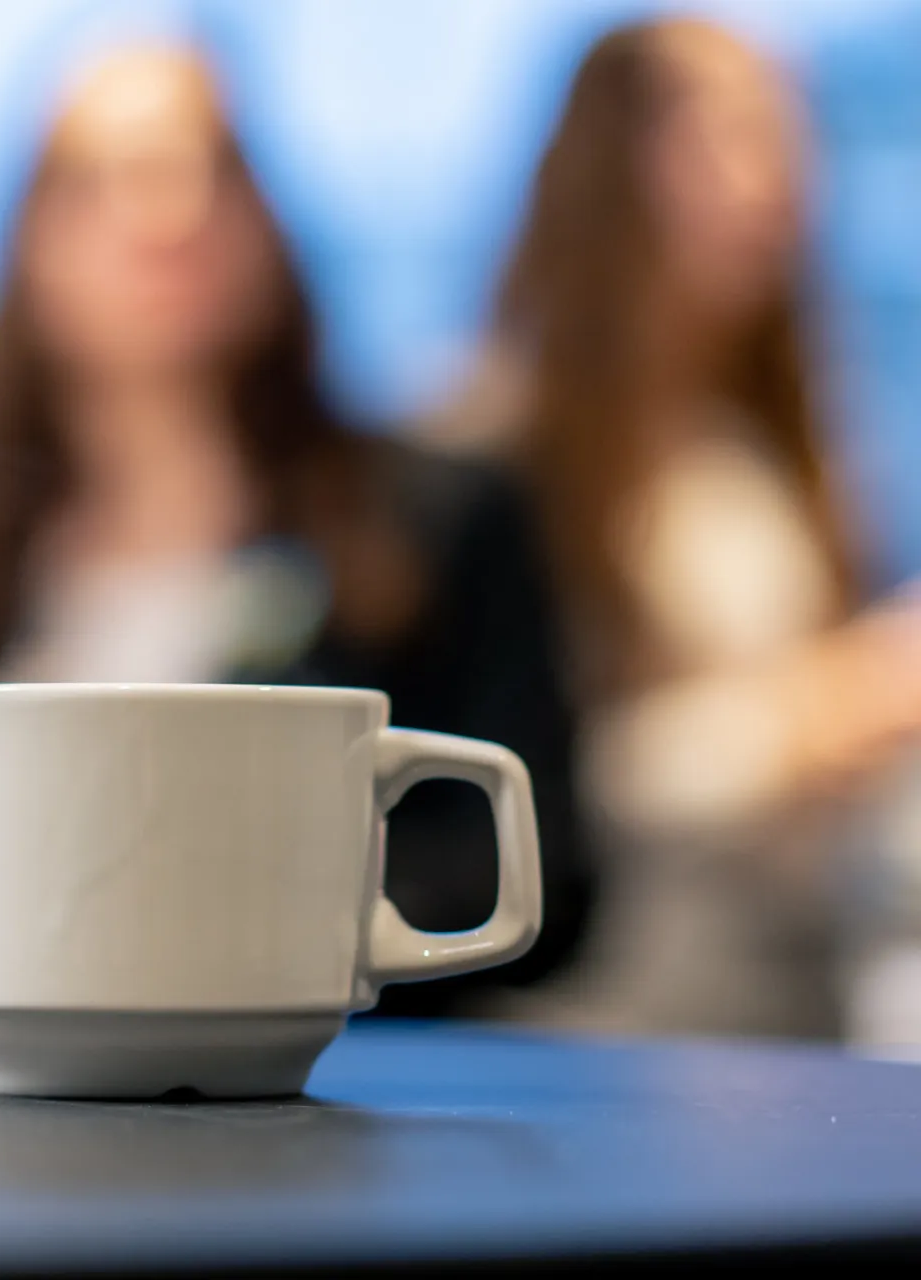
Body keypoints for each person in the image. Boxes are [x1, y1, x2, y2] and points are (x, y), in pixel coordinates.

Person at [0, 41, 593, 1013]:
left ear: (268, 222)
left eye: (207, 171)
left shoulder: (434, 523)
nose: (163, 218)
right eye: (101, 181)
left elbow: (542, 871)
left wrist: (272, 937)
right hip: (24, 1114)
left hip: (353, 1096)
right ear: (28, 242)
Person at [443, 18, 921, 1037]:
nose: (776, 177)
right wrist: (815, 714)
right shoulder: (492, 453)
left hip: (792, 985)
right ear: (613, 164)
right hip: (605, 1008)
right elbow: (526, 788)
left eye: (787, 134)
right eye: (728, 133)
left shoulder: (761, 450)